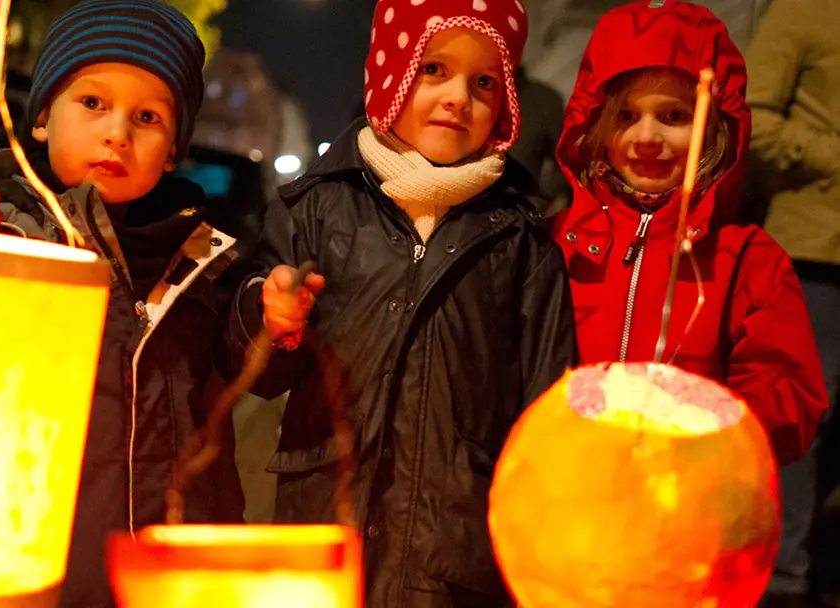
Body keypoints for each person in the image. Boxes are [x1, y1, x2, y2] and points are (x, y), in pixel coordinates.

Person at [225, 1, 577, 606]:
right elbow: (253, 368)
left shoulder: (521, 239)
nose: (458, 97)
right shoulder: (317, 207)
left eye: (484, 82)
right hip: (325, 530)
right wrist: (268, 316)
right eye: (433, 70)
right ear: (390, 74)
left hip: (451, 555)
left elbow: (547, 406)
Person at [0, 1, 244, 605]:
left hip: (168, 561)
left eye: (148, 117)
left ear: (174, 149)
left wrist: (268, 314)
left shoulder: (201, 255)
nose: (117, 134)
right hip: (37, 555)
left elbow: (235, 361)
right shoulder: (0, 229)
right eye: (93, 103)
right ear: (44, 116)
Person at [551, 0, 827, 467]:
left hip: (686, 504)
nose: (646, 138)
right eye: (625, 116)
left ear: (715, 127)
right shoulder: (557, 243)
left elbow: (789, 396)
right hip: (561, 498)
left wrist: (702, 422)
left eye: (674, 117)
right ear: (594, 121)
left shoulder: (747, 261)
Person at [745, 0, 840, 603]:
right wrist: (831, 157)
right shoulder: (807, 10)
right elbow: (752, 114)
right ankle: (780, 583)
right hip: (816, 246)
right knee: (805, 416)